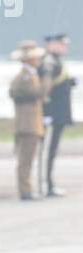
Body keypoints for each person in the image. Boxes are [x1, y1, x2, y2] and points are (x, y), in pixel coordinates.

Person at [9, 40, 49, 201]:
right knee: (25, 160)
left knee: (28, 159)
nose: (37, 60)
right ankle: (25, 189)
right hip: (27, 124)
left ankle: (27, 188)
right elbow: (36, 93)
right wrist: (46, 79)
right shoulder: (25, 77)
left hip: (31, 123)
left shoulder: (30, 75)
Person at [40, 34, 74, 196]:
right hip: (52, 115)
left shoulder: (56, 61)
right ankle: (46, 185)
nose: (64, 47)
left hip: (58, 115)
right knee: (47, 149)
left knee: (51, 150)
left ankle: (48, 184)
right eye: (61, 44)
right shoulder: (49, 61)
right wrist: (46, 112)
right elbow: (46, 88)